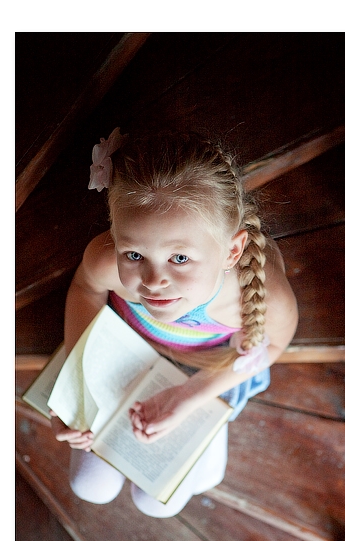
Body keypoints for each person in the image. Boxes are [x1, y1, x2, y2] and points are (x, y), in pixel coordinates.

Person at [50, 128, 298, 517]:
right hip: (126, 348)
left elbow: (275, 344)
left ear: (231, 251)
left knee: (160, 502)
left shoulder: (258, 294)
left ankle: (206, 443)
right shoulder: (104, 260)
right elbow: (84, 289)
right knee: (88, 485)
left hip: (203, 372)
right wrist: (76, 386)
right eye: (134, 254)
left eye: (179, 258)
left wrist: (189, 397)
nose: (153, 281)